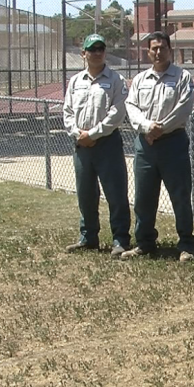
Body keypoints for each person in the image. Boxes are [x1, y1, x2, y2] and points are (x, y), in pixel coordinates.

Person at [121, 31, 194, 262]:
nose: (158, 51)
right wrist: (146, 127)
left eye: (162, 47)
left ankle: (186, 245)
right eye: (154, 48)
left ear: (169, 50)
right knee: (144, 197)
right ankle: (144, 243)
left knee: (180, 196)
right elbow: (131, 106)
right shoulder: (140, 80)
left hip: (173, 143)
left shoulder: (182, 77)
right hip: (145, 146)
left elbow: (184, 108)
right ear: (148, 51)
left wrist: (159, 129)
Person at [62, 34, 131, 256]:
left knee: (116, 194)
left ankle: (120, 239)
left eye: (101, 48)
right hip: (82, 146)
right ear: (84, 54)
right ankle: (88, 237)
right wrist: (78, 134)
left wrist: (93, 134)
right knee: (85, 194)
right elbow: (67, 112)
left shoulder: (116, 80)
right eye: (92, 49)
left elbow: (117, 113)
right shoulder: (75, 81)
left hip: (107, 144)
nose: (97, 52)